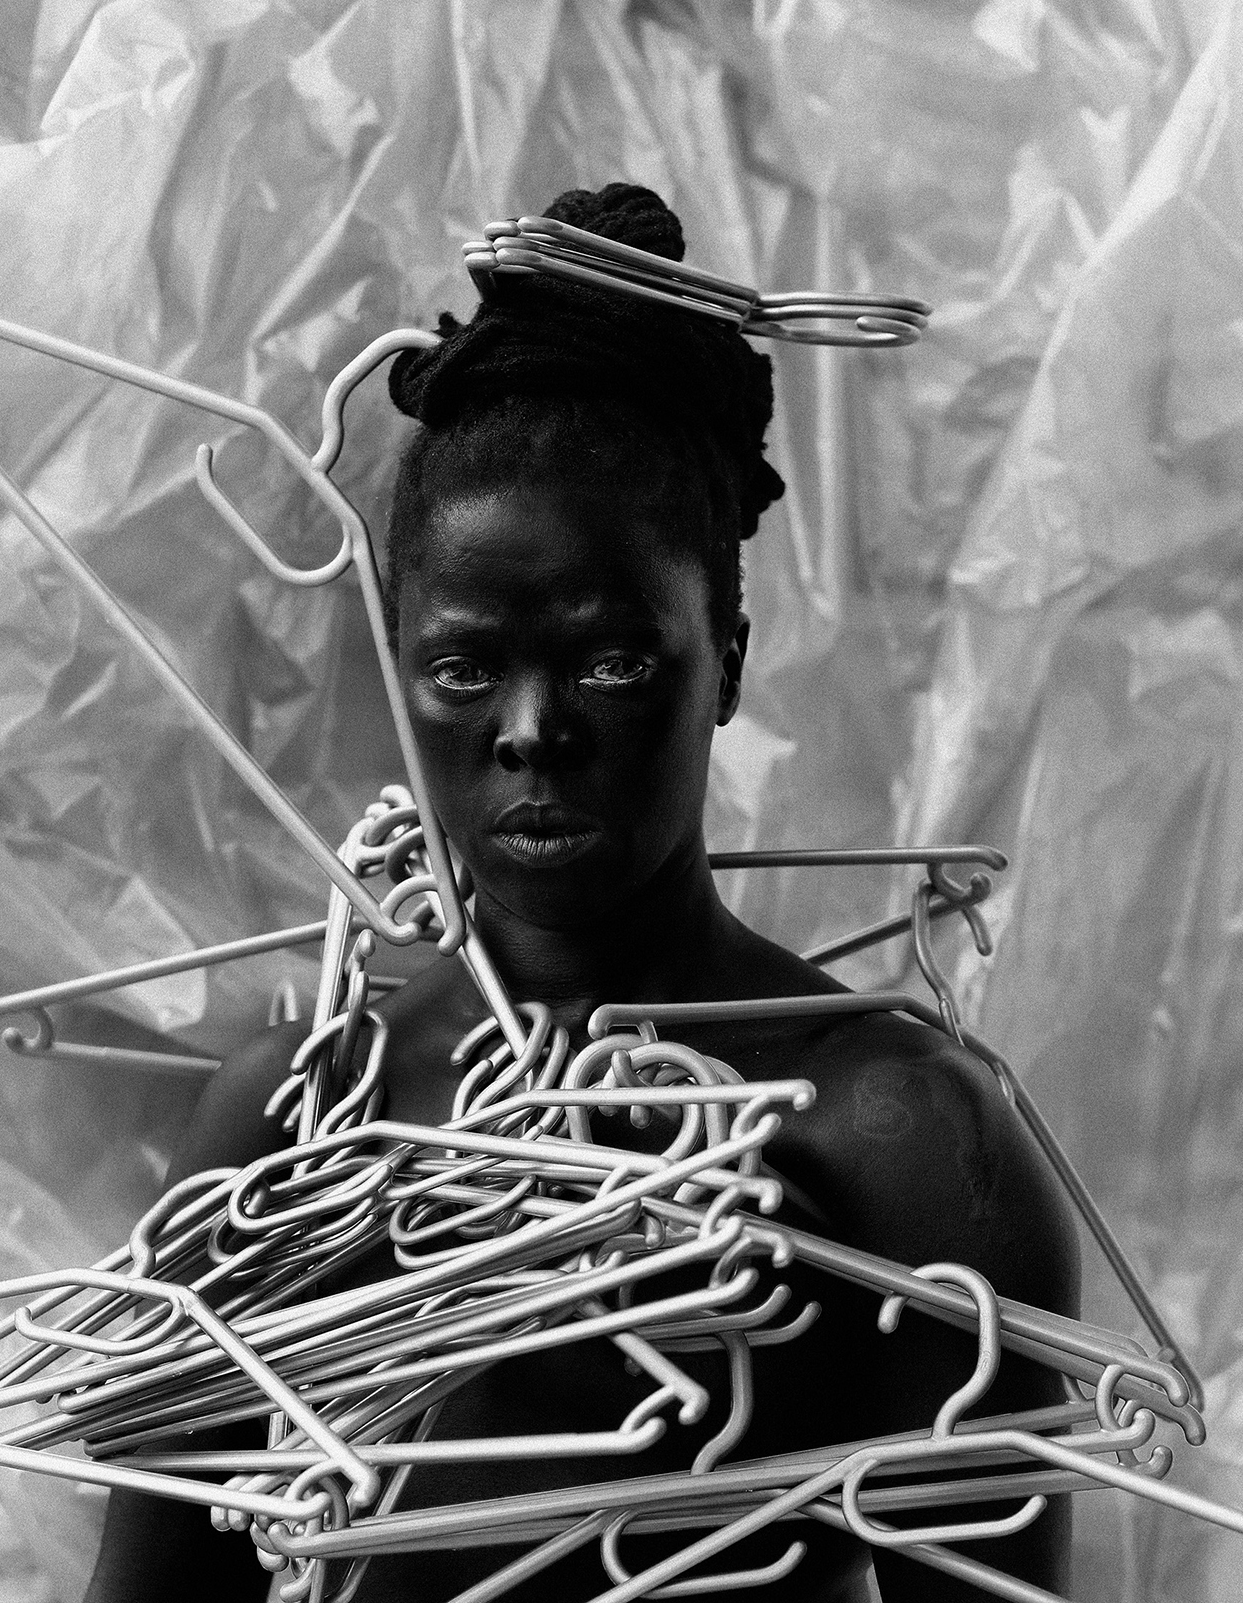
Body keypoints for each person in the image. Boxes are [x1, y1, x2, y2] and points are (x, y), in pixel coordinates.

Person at [84, 182, 1080, 1602]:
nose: (531, 730)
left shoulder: (902, 1145)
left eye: (610, 660)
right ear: (400, 673)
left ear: (724, 660)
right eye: (462, 667)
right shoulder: (292, 1130)